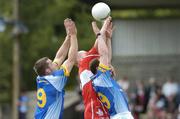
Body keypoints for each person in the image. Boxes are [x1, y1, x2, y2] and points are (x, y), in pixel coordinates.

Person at [33, 18, 78, 119]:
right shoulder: (55, 81)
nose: (54, 63)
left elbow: (59, 57)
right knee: (67, 62)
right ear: (48, 71)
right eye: (51, 63)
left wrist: (68, 36)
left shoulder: (41, 78)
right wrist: (74, 35)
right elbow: (71, 60)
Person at [90, 17, 134, 119]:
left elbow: (108, 60)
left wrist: (109, 38)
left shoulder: (102, 79)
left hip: (119, 115)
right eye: (102, 63)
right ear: (98, 68)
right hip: (121, 116)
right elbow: (104, 54)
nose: (109, 67)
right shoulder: (101, 78)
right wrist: (99, 35)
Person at [76, 21, 110, 119]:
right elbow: (99, 41)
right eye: (85, 53)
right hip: (94, 108)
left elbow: (106, 56)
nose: (88, 53)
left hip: (97, 105)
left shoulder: (86, 68)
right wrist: (105, 23)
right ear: (80, 59)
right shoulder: (85, 61)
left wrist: (108, 38)